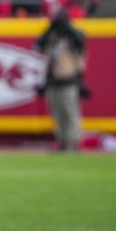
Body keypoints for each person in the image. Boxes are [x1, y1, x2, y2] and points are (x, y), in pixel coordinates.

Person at [35, 10, 87, 151]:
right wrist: (50, 29)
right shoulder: (52, 36)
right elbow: (39, 45)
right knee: (57, 115)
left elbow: (80, 41)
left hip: (68, 80)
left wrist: (67, 28)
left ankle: (73, 143)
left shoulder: (73, 35)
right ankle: (62, 142)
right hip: (52, 81)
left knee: (70, 113)